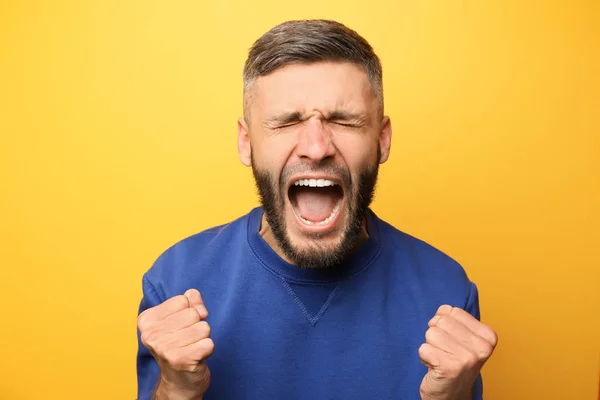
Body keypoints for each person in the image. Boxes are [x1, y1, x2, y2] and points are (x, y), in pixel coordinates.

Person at [136, 19, 498, 400]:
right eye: (287, 121)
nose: (316, 146)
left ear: (382, 139)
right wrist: (176, 389)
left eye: (343, 120)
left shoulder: (445, 291)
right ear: (247, 143)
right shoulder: (175, 283)